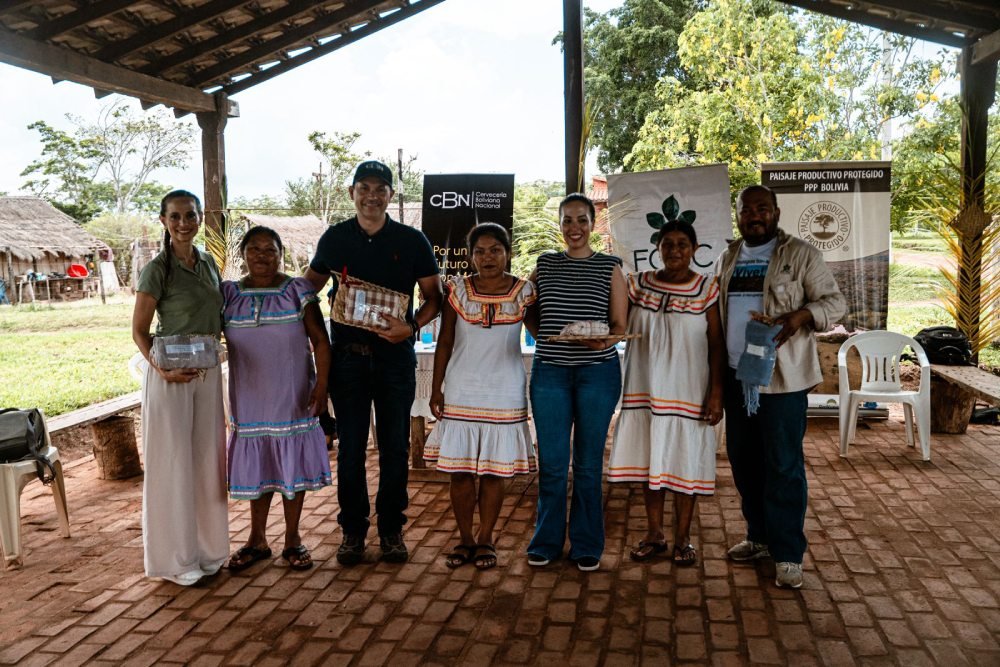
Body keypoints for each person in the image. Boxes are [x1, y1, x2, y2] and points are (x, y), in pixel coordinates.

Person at [305, 160, 442, 566]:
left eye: (380, 188)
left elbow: (434, 297)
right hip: (348, 360)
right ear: (352, 193)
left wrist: (411, 328)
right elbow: (305, 292)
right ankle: (352, 530)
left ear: (390, 196)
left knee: (395, 446)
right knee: (350, 450)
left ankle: (391, 529)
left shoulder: (413, 240)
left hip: (395, 359)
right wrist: (317, 334)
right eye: (364, 187)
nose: (372, 195)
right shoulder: (335, 239)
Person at [717, 185, 846, 589]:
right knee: (742, 459)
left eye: (761, 209)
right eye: (746, 209)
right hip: (739, 376)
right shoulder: (729, 256)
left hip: (782, 379)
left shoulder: (801, 254)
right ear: (737, 214)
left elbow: (835, 303)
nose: (753, 215)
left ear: (775, 212)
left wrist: (800, 316)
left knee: (783, 464)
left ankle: (788, 552)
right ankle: (759, 537)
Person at [607, 221, 725, 566]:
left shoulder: (706, 288)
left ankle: (684, 538)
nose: (675, 250)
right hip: (646, 390)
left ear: (695, 248)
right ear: (657, 247)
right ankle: (655, 533)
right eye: (668, 244)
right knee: (650, 463)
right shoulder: (639, 285)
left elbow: (717, 344)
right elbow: (614, 320)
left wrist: (716, 393)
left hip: (689, 390)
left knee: (685, 464)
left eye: (682, 244)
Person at [523, 193, 627, 572]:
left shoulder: (611, 266)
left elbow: (620, 326)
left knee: (586, 465)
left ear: (594, 222)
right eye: (568, 221)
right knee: (552, 463)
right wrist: (544, 336)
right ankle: (546, 542)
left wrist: (604, 341)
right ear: (560, 224)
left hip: (597, 374)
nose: (575, 228)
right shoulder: (545, 265)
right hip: (550, 372)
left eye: (582, 220)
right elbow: (526, 309)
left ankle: (586, 543)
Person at [425, 223, 537, 570]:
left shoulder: (524, 292)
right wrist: (436, 387)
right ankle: (465, 539)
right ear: (470, 255)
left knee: (493, 472)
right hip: (462, 389)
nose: (487, 257)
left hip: (505, 390)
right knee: (459, 472)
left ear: (508, 252)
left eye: (495, 250)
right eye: (480, 251)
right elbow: (444, 341)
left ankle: (486, 538)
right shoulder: (456, 290)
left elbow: (543, 332)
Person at [131, 190, 229, 586]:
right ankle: (175, 559)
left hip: (205, 375)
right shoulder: (157, 269)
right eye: (175, 216)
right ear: (164, 221)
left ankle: (206, 550)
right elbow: (138, 331)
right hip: (170, 379)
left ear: (200, 217)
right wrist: (161, 369)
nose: (184, 223)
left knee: (206, 463)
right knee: (172, 465)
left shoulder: (208, 263)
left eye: (190, 215)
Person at [222, 227, 332, 572]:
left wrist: (321, 387)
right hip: (249, 395)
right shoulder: (228, 295)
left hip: (292, 393)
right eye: (254, 249)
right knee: (260, 465)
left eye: (269, 250)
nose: (262, 256)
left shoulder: (297, 290)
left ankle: (293, 539)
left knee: (290, 465)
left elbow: (321, 342)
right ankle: (256, 539)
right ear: (243, 254)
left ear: (280, 253)